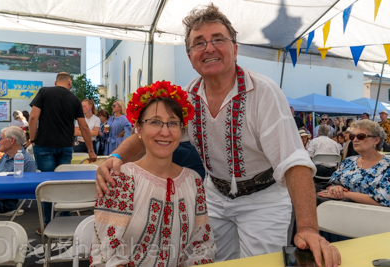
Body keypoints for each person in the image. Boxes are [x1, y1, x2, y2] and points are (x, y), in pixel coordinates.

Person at [94, 4, 340, 266]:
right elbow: (150, 131)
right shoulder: (187, 98)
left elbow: (293, 160)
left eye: (218, 40)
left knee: (259, 264)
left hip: (263, 198)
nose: (209, 48)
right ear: (190, 56)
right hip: (214, 195)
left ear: (235, 48)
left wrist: (309, 229)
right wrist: (116, 156)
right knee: (213, 261)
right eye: (199, 43)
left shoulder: (264, 92)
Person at [90, 82, 215, 266]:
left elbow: (201, 246)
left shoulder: (193, 181)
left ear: (182, 130)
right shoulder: (122, 179)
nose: (164, 132)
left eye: (172, 123)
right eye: (155, 122)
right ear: (138, 129)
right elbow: (104, 254)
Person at [29, 72, 96, 232]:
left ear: (55, 82)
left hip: (44, 145)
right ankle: (66, 219)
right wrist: (91, 150)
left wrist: (32, 140)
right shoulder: (74, 99)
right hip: (66, 146)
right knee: (64, 184)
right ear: (69, 83)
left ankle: (46, 223)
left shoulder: (44, 92)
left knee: (47, 185)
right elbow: (84, 126)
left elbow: (33, 118)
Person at [318, 120, 390, 207]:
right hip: (338, 210)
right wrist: (335, 188)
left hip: (371, 216)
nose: (355, 140)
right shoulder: (348, 161)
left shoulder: (387, 167)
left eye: (360, 136)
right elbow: (332, 184)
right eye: (352, 136)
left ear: (376, 140)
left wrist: (345, 195)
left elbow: (383, 201)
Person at [0, 126, 37, 215]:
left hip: (4, 202)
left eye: (1, 138)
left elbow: (24, 188)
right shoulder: (5, 156)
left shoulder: (26, 161)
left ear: (11, 140)